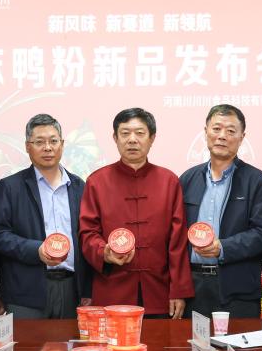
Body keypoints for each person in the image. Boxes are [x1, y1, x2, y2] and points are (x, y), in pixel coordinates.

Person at [79, 108, 194, 318]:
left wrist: (179, 290)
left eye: (140, 133)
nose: (132, 139)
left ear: (152, 138)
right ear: (115, 138)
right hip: (112, 290)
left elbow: (177, 242)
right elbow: (87, 233)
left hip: (160, 291)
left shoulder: (169, 181)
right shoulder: (96, 182)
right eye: (125, 133)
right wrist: (105, 252)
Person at [0, 114, 91, 319]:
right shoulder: (10, 186)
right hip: (26, 290)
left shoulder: (79, 186)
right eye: (39, 142)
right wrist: (36, 249)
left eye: (53, 141)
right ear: (28, 146)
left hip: (72, 289)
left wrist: (87, 289)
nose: (48, 148)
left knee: (69, 341)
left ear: (62, 144)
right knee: (28, 341)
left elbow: (87, 237)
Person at [179, 104, 262, 318]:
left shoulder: (257, 181)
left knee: (238, 340)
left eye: (231, 131)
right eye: (216, 129)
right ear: (205, 132)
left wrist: (223, 248)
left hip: (237, 290)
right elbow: (175, 236)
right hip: (193, 289)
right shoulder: (187, 179)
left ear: (242, 137)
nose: (222, 136)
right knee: (192, 341)